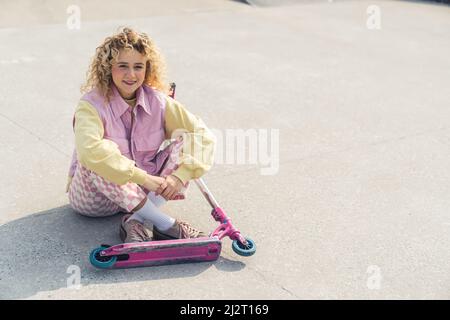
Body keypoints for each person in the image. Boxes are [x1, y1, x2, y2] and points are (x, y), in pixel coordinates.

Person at [66, 27, 215, 243]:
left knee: (188, 140)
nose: (131, 74)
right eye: (122, 66)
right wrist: (143, 178)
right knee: (95, 155)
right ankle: (167, 225)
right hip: (95, 200)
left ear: (147, 69)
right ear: (109, 68)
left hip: (143, 192)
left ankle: (136, 220)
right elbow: (90, 152)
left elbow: (200, 133)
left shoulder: (157, 101)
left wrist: (178, 177)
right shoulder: (91, 105)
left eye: (138, 66)